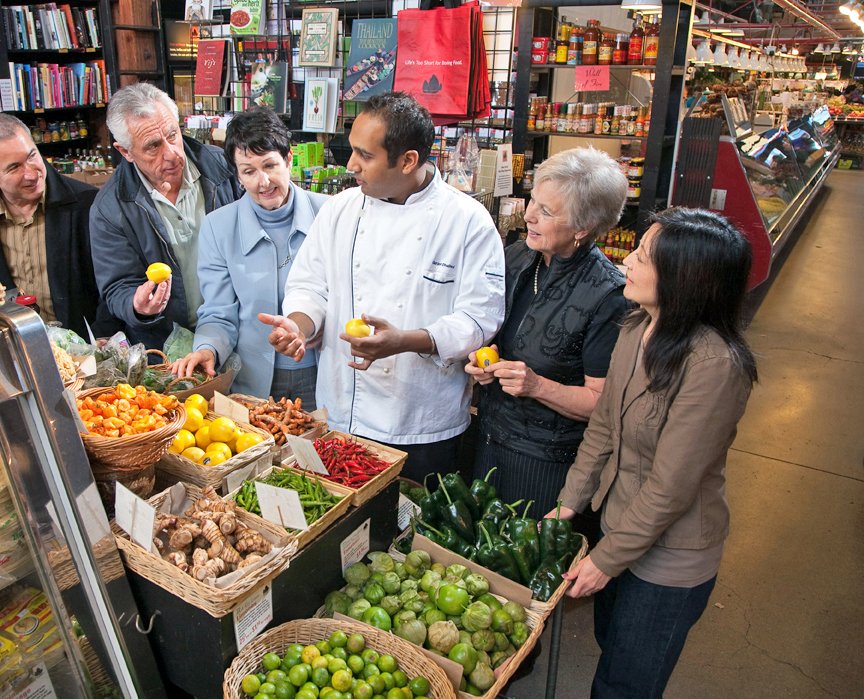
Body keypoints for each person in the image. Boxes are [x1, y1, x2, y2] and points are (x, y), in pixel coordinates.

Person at [551, 208, 757, 698]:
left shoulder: (714, 366)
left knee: (625, 683)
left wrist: (605, 560)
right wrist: (567, 505)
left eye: (643, 256)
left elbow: (670, 488)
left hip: (670, 558)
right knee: (612, 646)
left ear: (685, 279)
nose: (627, 262)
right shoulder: (635, 327)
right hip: (615, 524)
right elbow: (602, 428)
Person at [259, 92, 505, 483]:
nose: (351, 164)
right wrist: (298, 327)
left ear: (408, 161)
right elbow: (310, 286)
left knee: (410, 530)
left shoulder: (467, 221)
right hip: (342, 410)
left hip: (420, 422)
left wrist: (405, 340)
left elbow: (479, 318)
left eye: (365, 155)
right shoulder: (341, 209)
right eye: (352, 150)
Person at [466, 147, 630, 521]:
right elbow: (499, 334)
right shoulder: (520, 257)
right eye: (533, 201)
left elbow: (602, 404)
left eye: (547, 211)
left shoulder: (609, 296)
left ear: (583, 228)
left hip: (546, 465)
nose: (529, 215)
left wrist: (537, 386)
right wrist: (480, 356)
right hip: (489, 439)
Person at [171, 109, 329, 407]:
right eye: (249, 171)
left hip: (321, 372)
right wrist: (207, 349)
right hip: (255, 382)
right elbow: (219, 312)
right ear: (238, 175)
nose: (263, 181)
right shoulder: (219, 227)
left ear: (289, 160)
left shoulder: (330, 214)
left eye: (270, 165)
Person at [89, 83, 241, 352]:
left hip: (237, 331)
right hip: (167, 349)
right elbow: (117, 286)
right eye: (153, 146)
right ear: (126, 152)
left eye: (173, 135)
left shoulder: (223, 167)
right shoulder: (110, 208)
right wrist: (136, 306)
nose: (171, 153)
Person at [0, 113, 117, 335]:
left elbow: (111, 286)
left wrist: (99, 343)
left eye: (32, 156)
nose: (31, 174)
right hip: (7, 340)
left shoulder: (86, 203)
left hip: (80, 348)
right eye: (14, 168)